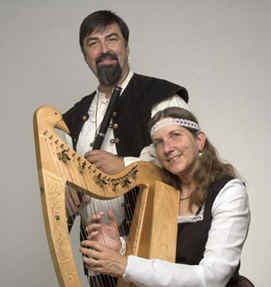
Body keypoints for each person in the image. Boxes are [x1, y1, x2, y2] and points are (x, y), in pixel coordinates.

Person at [62, 10, 190, 286]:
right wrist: (68, 187)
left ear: (126, 47)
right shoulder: (73, 118)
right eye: (93, 43)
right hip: (98, 257)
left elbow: (188, 162)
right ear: (85, 56)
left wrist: (124, 165)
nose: (104, 49)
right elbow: (66, 179)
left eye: (112, 39)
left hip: (154, 248)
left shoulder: (162, 97)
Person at [80, 107, 251, 287]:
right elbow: (161, 252)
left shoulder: (229, 192)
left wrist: (125, 265)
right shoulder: (162, 192)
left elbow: (212, 277)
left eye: (175, 135)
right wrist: (120, 247)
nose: (167, 148)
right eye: (159, 142)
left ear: (199, 141)